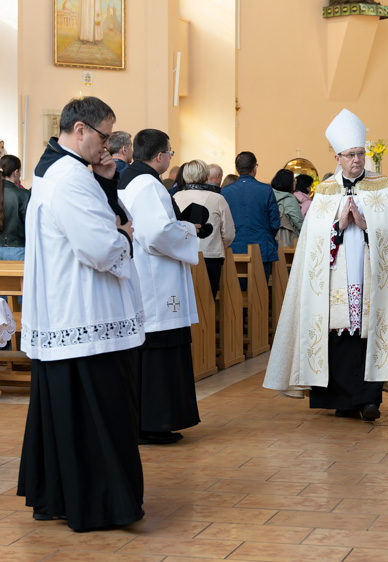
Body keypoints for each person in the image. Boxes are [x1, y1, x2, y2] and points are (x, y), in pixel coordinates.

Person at [17, 96, 145, 533]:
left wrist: (108, 185)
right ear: (80, 131)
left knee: (68, 414)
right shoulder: (70, 178)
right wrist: (125, 239)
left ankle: (63, 495)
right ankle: (101, 502)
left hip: (69, 315)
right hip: (84, 313)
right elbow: (98, 246)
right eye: (105, 136)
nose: (107, 146)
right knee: (100, 412)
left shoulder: (62, 172)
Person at [264, 109, 388, 422]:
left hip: (371, 274)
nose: (357, 160)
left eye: (361, 154)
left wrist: (366, 223)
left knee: (368, 334)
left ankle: (369, 400)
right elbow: (312, 239)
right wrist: (339, 226)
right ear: (337, 157)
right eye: (351, 155)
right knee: (338, 335)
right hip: (334, 277)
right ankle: (343, 399)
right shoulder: (326, 191)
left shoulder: (383, 186)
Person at [119, 129, 202, 445]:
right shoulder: (149, 185)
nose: (171, 156)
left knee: (147, 351)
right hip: (155, 279)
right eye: (170, 151)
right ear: (159, 156)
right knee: (157, 350)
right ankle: (153, 421)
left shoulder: (129, 179)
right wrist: (187, 229)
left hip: (142, 272)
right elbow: (156, 233)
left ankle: (144, 420)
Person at [174, 159, 236, 297]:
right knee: (208, 299)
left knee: (185, 299)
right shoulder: (218, 199)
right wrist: (218, 244)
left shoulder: (176, 197)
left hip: (182, 255)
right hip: (210, 254)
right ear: (206, 176)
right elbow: (229, 233)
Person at [221, 152, 280, 282]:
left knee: (233, 295)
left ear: (237, 169)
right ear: (254, 168)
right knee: (259, 295)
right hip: (261, 249)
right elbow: (275, 222)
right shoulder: (266, 190)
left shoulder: (225, 191)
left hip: (233, 249)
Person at [0, 155, 30, 260]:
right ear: (16, 172)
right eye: (20, 172)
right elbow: (29, 225)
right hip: (17, 249)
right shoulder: (24, 194)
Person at [271, 168, 304, 248]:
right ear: (288, 183)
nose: (295, 183)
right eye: (293, 181)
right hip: (288, 243)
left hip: (271, 240)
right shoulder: (289, 199)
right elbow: (299, 222)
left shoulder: (270, 195)